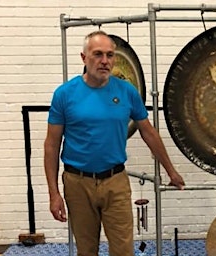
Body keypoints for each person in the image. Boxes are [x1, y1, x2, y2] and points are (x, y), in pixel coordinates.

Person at [44, 30, 185, 256]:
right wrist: (53, 193)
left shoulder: (127, 92)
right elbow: (51, 145)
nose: (104, 61)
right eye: (98, 54)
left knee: (123, 251)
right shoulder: (64, 94)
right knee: (86, 250)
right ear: (84, 57)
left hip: (116, 182)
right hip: (77, 183)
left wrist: (171, 171)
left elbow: (148, 132)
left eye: (110, 55)